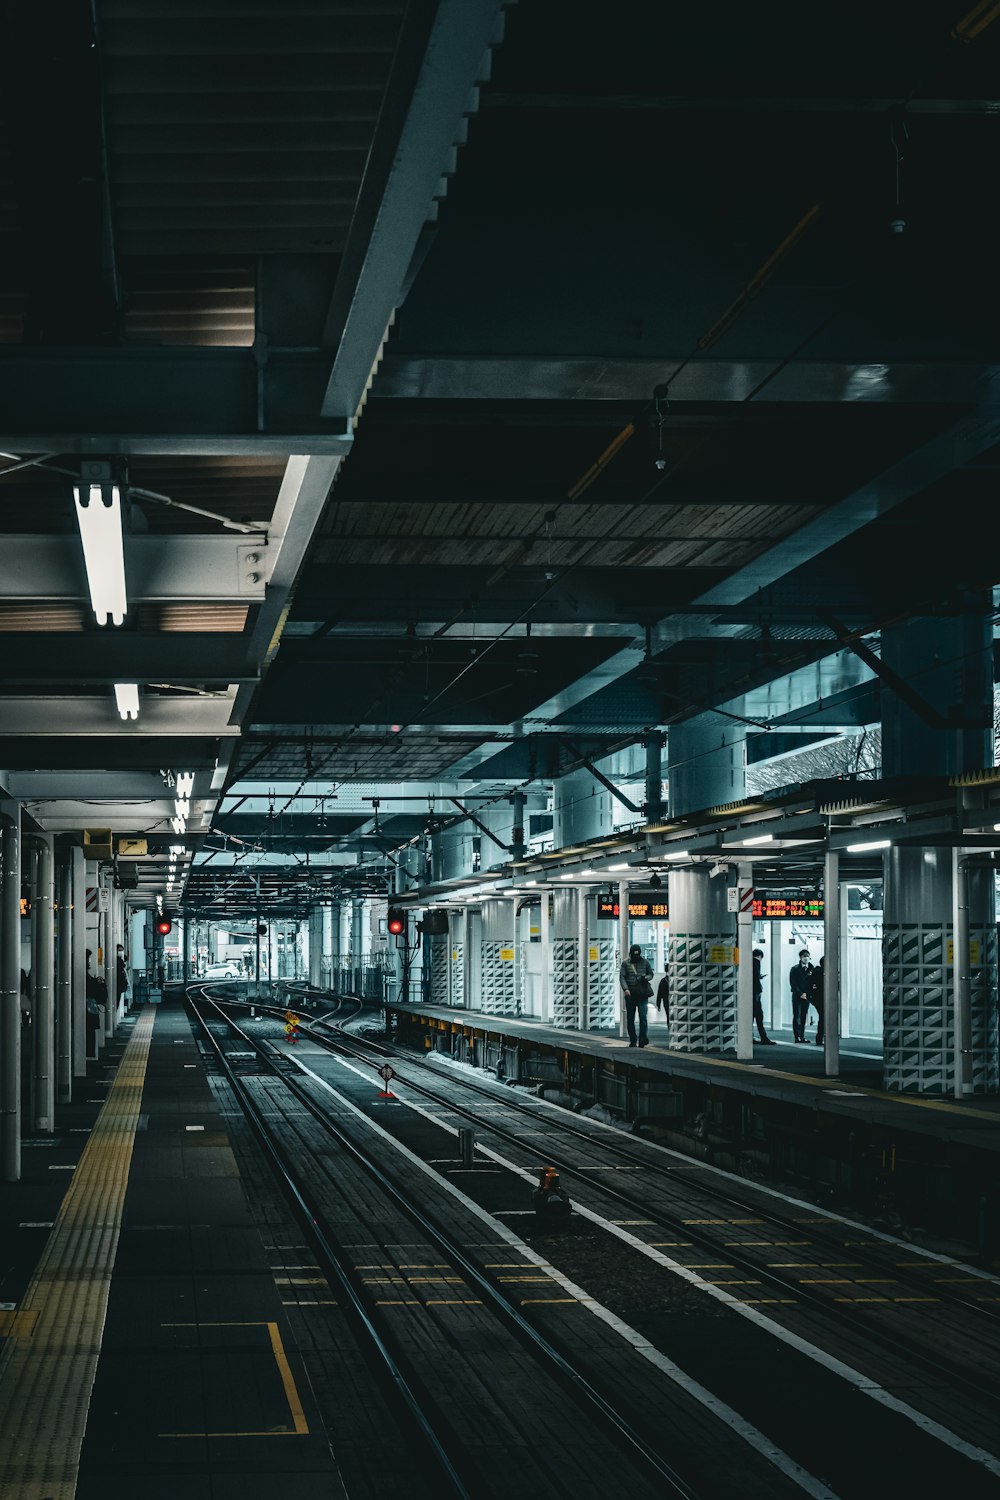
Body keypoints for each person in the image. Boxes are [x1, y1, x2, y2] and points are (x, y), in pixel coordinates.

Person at [620, 943, 653, 1047]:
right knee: (630, 1019)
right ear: (630, 954)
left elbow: (651, 974)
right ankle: (633, 1040)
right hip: (630, 994)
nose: (636, 957)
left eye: (638, 955)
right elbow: (622, 977)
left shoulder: (645, 962)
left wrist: (645, 978)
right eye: (634, 955)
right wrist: (626, 989)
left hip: (642, 994)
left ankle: (643, 1039)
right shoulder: (625, 963)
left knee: (643, 1017)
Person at [789, 949, 813, 1043]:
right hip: (797, 996)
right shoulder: (794, 969)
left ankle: (802, 1036)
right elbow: (793, 983)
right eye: (804, 956)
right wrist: (800, 993)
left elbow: (813, 983)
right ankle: (797, 1036)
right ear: (800, 958)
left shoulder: (812, 968)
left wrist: (808, 993)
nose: (806, 958)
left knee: (804, 1016)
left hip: (807, 996)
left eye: (807, 956)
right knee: (797, 1016)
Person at [751, 949, 775, 1044]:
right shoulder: (756, 962)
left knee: (752, 1016)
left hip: (750, 993)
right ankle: (764, 1038)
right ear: (760, 956)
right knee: (759, 1016)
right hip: (755, 994)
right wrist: (759, 990)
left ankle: (751, 1037)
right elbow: (755, 978)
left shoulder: (748, 962)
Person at [811, 956, 825, 1046]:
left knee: (823, 1017)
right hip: (821, 998)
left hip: (817, 998)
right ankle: (819, 1038)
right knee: (823, 1017)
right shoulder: (819, 973)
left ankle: (820, 1038)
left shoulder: (815, 972)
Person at [115, 943, 130, 1008]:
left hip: (120, 985)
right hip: (118, 984)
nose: (121, 952)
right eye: (119, 950)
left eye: (122, 950)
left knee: (118, 1001)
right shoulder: (117, 961)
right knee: (116, 1001)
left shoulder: (121, 960)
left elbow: (126, 958)